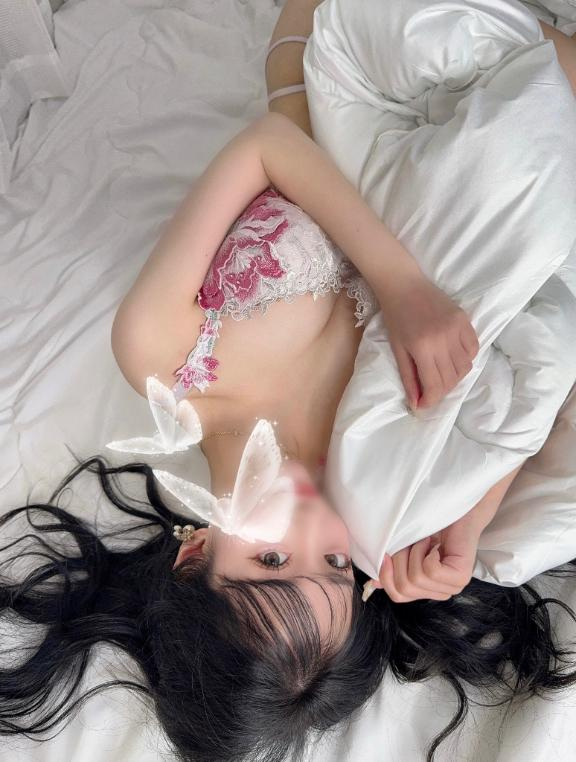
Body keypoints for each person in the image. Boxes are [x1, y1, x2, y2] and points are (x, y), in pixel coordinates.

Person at [2, 4, 576, 762]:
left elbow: (266, 147)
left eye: (271, 560)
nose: (314, 530)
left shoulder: (163, 358)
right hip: (444, 146)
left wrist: (402, 287)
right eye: (335, 566)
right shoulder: (375, 485)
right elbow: (524, 394)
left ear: (194, 555)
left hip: (333, 70)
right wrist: (468, 524)